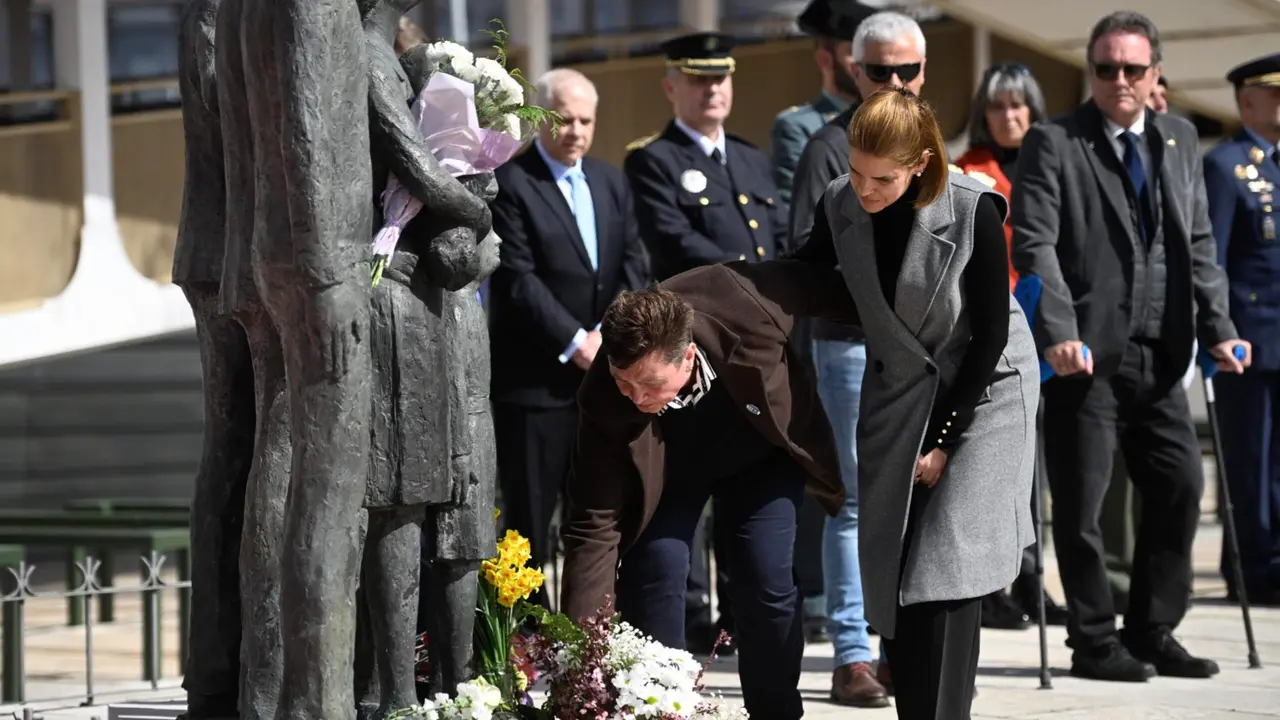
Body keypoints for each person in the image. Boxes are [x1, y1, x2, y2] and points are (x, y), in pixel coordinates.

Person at [1011, 10, 1250, 683]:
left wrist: (1220, 328)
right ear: (1091, 71)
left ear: (1155, 74)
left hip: (1161, 351)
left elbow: (1198, 242)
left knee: (1181, 487)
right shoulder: (1055, 141)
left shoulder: (1178, 137)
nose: (1119, 79)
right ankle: (1093, 641)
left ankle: (1151, 628)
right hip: (1085, 357)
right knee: (1082, 506)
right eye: (1106, 67)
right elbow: (1035, 245)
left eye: (1132, 68)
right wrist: (1059, 333)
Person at [560, 261, 858, 719]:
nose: (636, 397)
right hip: (669, 473)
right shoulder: (604, 395)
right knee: (655, 567)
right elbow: (592, 527)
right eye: (625, 382)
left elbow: (827, 285)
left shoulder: (743, 298)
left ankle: (776, 712)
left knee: (765, 578)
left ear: (687, 356)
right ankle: (660, 710)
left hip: (759, 455)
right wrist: (581, 665)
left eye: (650, 384)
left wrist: (912, 333)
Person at [623, 30, 789, 653]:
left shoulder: (750, 158)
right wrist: (754, 284)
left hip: (755, 355)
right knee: (688, 485)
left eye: (720, 78)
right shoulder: (653, 160)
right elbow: (673, 242)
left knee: (748, 489)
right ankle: (693, 612)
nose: (711, 89)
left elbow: (777, 239)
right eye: (698, 79)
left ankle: (736, 616)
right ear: (671, 86)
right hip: (695, 351)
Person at [788, 9, 925, 702]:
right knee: (849, 502)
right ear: (854, 69)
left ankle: (903, 646)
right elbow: (808, 262)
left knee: (910, 499)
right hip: (847, 347)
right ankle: (852, 653)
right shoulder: (826, 146)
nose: (894, 82)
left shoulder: (932, 147)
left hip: (918, 352)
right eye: (879, 70)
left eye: (908, 70)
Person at [489, 68, 649, 608]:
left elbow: (632, 263)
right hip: (535, 386)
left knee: (596, 517)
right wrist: (576, 342)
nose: (576, 131)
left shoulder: (610, 181)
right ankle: (528, 642)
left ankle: (587, 636)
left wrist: (609, 334)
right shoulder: (512, 182)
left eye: (586, 120)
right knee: (529, 523)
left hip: (602, 381)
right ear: (541, 117)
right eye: (564, 119)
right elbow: (518, 279)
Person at [768, 0, 870, 650]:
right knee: (832, 475)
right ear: (831, 58)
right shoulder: (807, 132)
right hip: (830, 320)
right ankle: (823, 601)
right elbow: (803, 225)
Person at [953, 62, 1069, 629]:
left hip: (1052, 332)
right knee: (994, 464)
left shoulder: (1055, 163)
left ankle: (1030, 578)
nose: (1009, 115)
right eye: (997, 106)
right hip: (991, 332)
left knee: (1037, 469)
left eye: (1018, 104)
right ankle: (994, 583)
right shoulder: (967, 169)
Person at [1203, 53, 1280, 606]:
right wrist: (1220, 330)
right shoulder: (1226, 165)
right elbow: (1214, 260)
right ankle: (1252, 568)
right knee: (1251, 462)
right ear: (1246, 101)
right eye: (1275, 94)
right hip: (1249, 343)